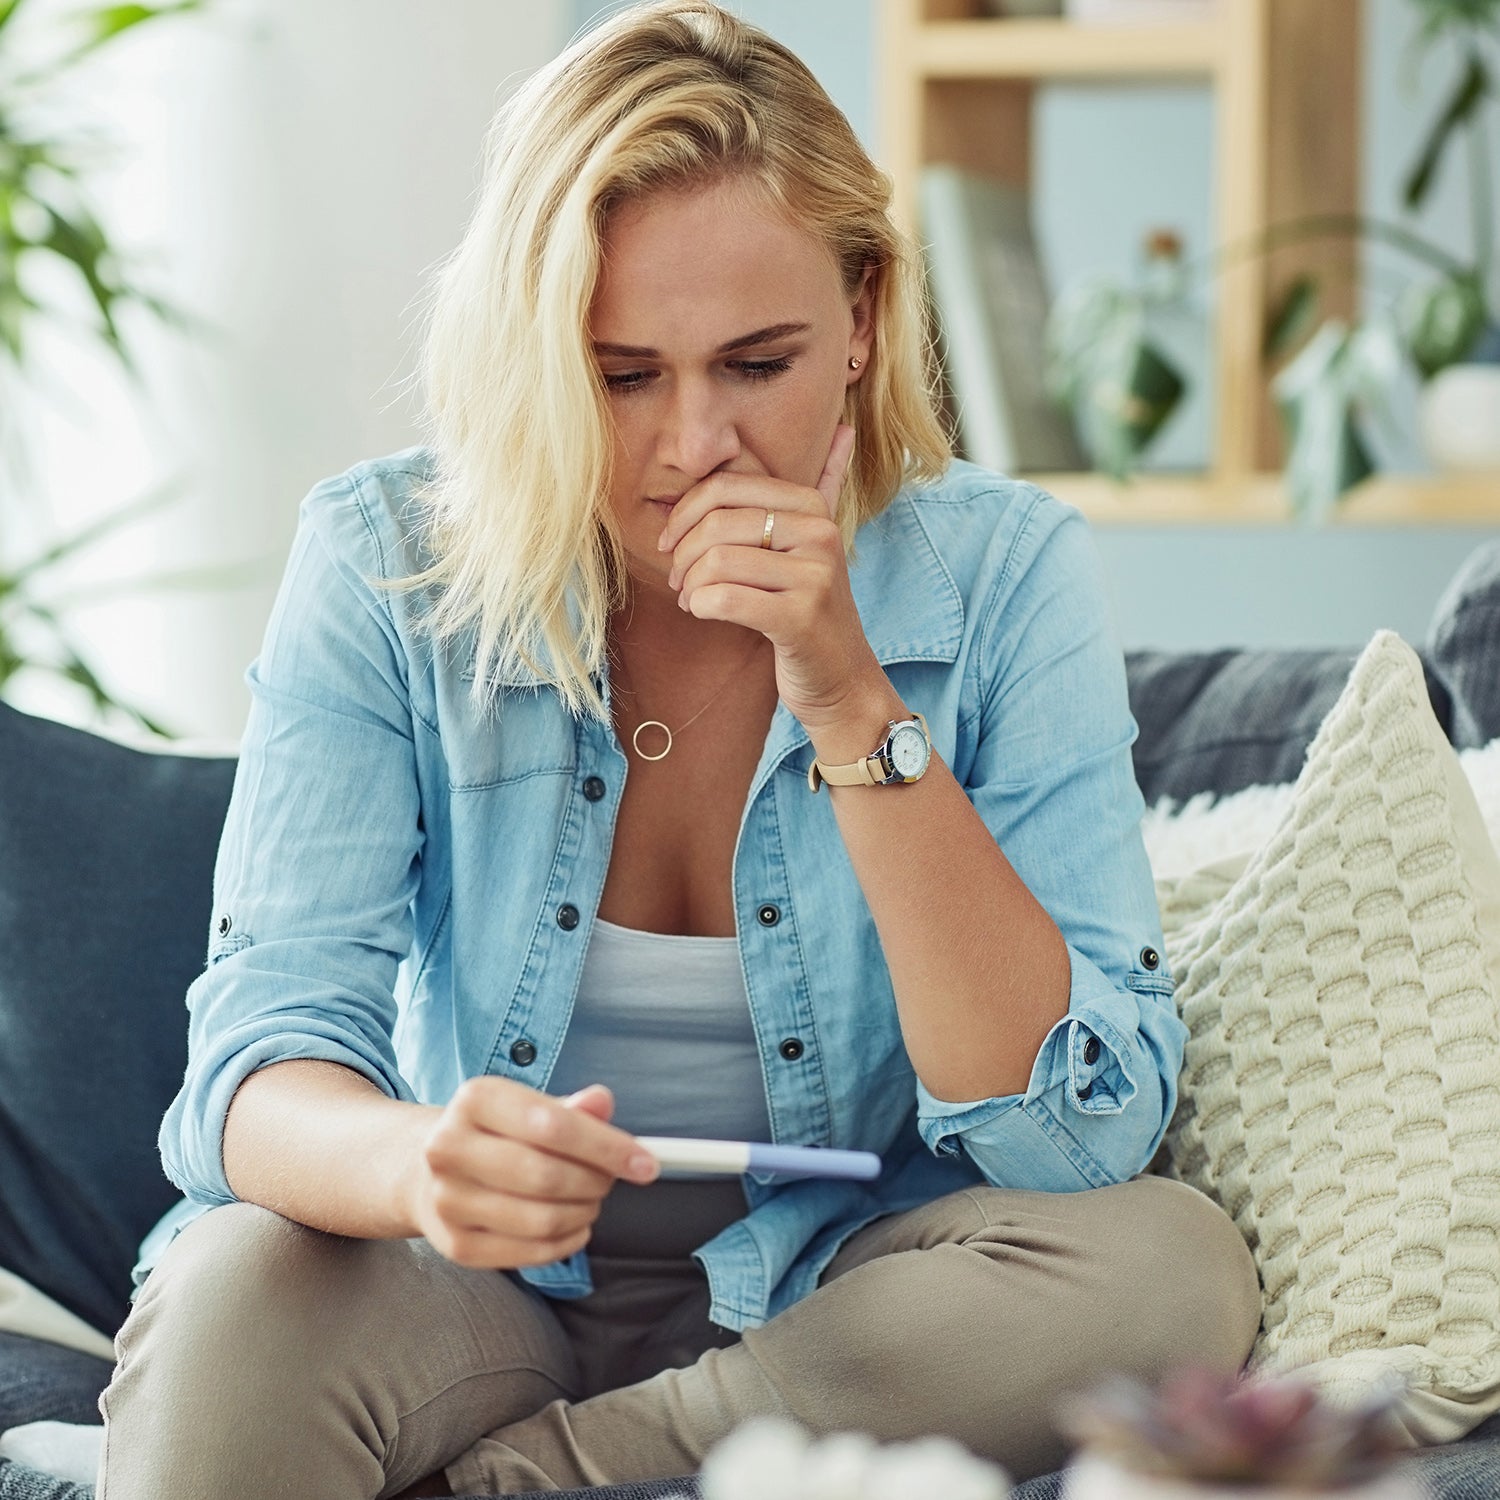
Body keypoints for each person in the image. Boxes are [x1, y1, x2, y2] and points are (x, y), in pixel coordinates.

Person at [96, 4, 1260, 1496]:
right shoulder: (386, 562)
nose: (691, 444)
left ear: (860, 319)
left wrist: (846, 696)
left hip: (848, 1295)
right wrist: (420, 1166)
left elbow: (1076, 1138)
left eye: (756, 362)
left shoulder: (1004, 575)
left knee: (1169, 1270)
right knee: (231, 1302)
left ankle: (543, 1475)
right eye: (623, 374)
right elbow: (255, 1064)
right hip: (468, 1288)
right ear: (531, 356)